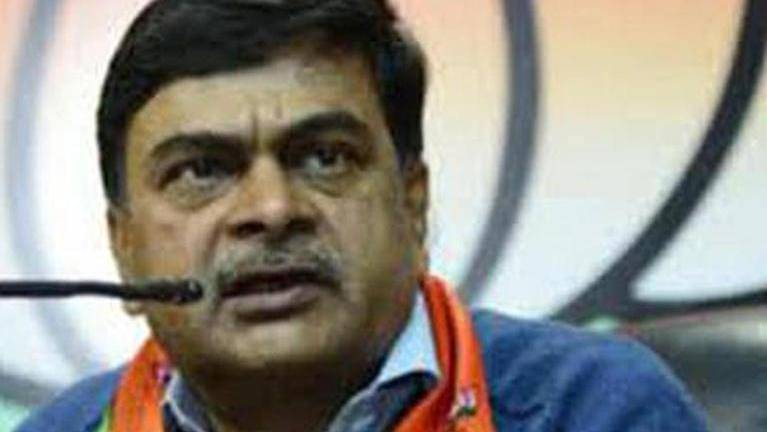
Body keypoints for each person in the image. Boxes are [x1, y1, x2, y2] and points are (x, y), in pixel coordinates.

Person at [18, 0, 707, 431]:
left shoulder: (593, 409)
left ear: (414, 204)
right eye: (202, 171)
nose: (272, 210)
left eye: (325, 157)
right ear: (124, 247)